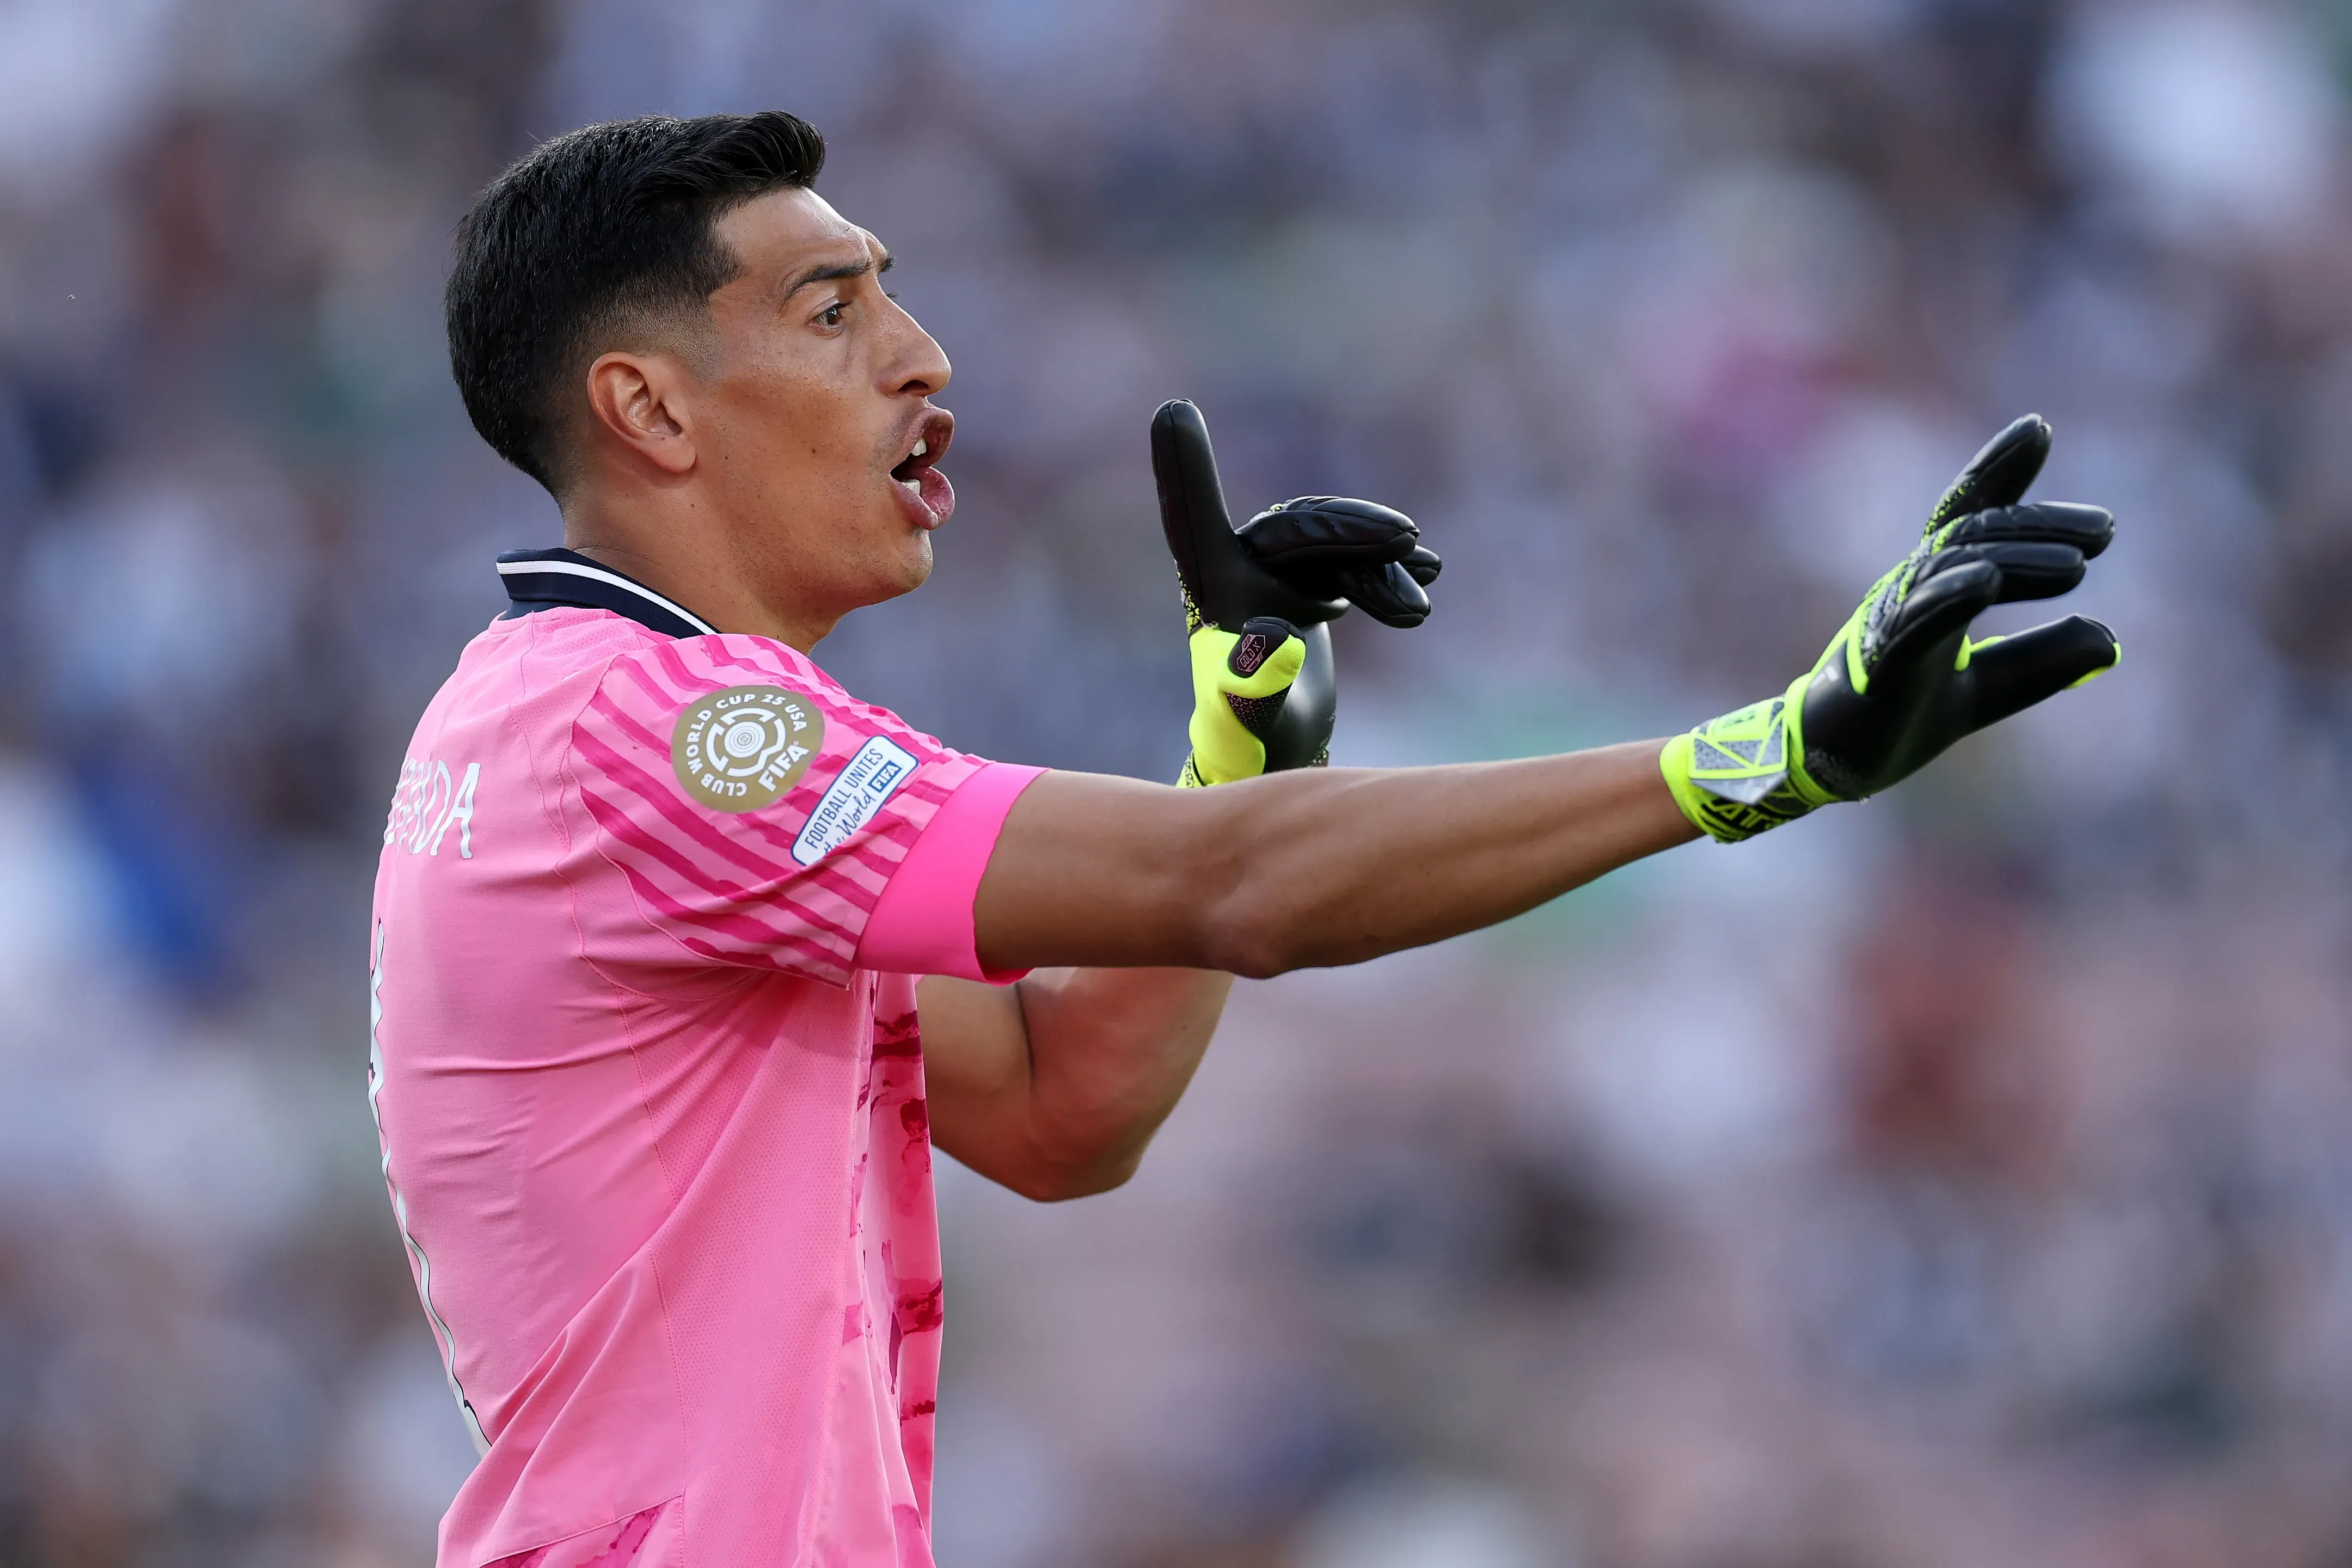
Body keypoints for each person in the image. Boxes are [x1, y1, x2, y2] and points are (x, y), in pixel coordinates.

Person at [371, 111, 2120, 1568]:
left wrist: (1241, 744)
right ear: (651, 412)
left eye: (891, 297)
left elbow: (1066, 1105)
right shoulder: (649, 730)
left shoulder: (571, 734)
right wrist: (1760, 760)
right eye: (831, 314)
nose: (921, 356)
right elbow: (1243, 898)